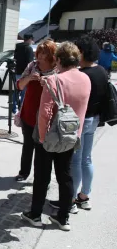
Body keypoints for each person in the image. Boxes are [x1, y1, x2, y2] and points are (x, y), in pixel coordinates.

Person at [22, 42, 91, 231]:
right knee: (65, 176)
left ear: (59, 60)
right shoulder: (86, 79)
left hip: (51, 136)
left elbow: (44, 113)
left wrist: (42, 138)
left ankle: (35, 214)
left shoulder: (55, 80)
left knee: (42, 177)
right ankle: (63, 217)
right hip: (71, 135)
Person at [49, 36, 108, 213]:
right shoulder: (101, 71)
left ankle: (71, 199)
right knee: (87, 159)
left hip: (80, 121)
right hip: (95, 120)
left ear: (81, 52)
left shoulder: (83, 75)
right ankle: (84, 196)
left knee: (75, 161)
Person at [15, 40, 57, 182]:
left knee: (44, 150)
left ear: (51, 55)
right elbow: (19, 86)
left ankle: (42, 179)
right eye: (39, 52)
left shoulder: (56, 68)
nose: (40, 56)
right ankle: (23, 173)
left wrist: (46, 82)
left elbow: (60, 89)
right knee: (27, 146)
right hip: (29, 112)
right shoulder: (32, 66)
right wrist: (29, 78)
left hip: (47, 115)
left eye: (44, 53)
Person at [13, 34, 34, 113]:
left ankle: (13, 108)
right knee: (24, 93)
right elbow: (30, 62)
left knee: (16, 91)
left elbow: (15, 58)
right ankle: (21, 109)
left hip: (17, 72)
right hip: (25, 74)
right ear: (30, 39)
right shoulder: (29, 48)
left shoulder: (18, 47)